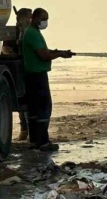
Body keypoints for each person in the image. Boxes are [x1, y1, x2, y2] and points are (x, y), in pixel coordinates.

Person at [22, 8, 74, 151]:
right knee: (43, 108)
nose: (45, 22)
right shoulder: (33, 34)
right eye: (44, 19)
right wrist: (59, 55)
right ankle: (43, 143)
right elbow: (43, 56)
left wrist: (57, 52)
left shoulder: (32, 32)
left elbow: (43, 51)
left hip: (32, 76)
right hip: (37, 76)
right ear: (36, 18)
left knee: (33, 110)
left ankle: (34, 142)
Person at [1, 7, 32, 141]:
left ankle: (30, 130)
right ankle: (24, 130)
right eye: (28, 17)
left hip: (29, 69)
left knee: (30, 103)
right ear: (21, 18)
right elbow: (5, 48)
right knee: (22, 103)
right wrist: (12, 53)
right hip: (17, 71)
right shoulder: (12, 32)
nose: (30, 20)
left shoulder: (30, 32)